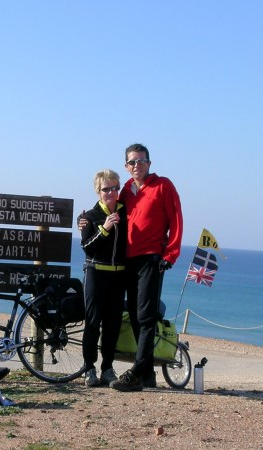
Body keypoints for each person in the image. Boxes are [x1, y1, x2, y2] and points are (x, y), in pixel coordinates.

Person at [110, 143, 183, 392]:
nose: (136, 165)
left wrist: (170, 254)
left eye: (141, 161)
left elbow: (176, 221)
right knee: (135, 315)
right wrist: (86, 221)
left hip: (152, 259)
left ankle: (137, 372)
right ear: (126, 166)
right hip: (128, 261)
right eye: (132, 162)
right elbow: (111, 213)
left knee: (146, 317)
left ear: (149, 163)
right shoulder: (125, 191)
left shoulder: (163, 185)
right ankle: (148, 373)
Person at [80, 169, 127, 387]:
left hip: (118, 277)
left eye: (114, 188)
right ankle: (89, 368)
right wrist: (105, 228)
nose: (111, 192)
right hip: (95, 273)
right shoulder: (90, 217)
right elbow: (87, 247)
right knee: (92, 322)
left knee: (112, 325)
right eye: (106, 189)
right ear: (98, 191)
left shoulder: (126, 212)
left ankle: (107, 368)